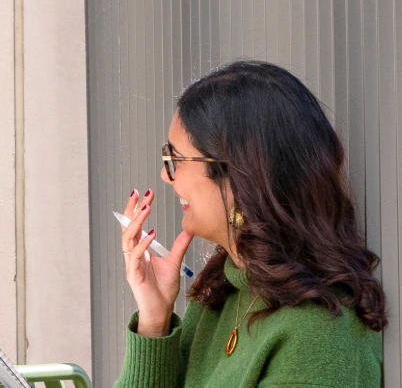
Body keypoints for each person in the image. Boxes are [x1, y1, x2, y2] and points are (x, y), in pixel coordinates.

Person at [116, 60, 384, 387]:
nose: (165, 175)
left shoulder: (318, 334)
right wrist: (154, 323)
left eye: (175, 160)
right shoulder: (223, 292)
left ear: (241, 174)